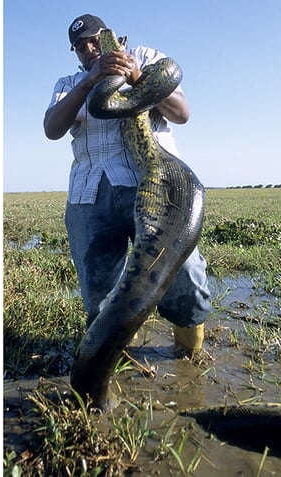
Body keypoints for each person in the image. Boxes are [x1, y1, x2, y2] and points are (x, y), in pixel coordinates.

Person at [43, 14, 210, 356]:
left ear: (109, 36)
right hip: (90, 195)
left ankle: (189, 361)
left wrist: (134, 76)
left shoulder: (146, 59)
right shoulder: (69, 82)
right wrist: (90, 81)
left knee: (185, 275)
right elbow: (52, 128)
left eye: (93, 40)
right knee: (99, 291)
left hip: (154, 184)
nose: (88, 49)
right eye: (79, 46)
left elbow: (181, 113)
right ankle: (116, 364)